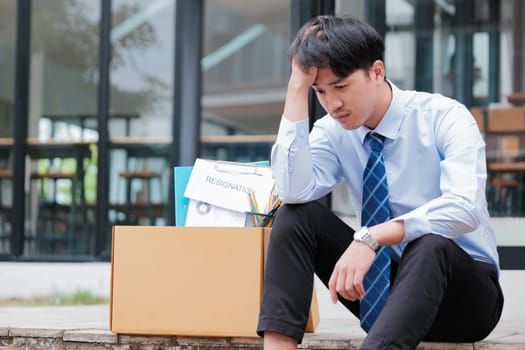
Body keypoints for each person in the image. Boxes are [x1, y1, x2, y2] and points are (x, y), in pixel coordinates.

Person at [256, 15, 504, 350]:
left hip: (463, 296)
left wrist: (372, 238)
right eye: (320, 91)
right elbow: (292, 190)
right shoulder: (332, 131)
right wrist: (297, 87)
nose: (332, 104)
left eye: (340, 87)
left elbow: (465, 208)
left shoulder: (444, 117)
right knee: (294, 215)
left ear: (376, 71)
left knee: (429, 243)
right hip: (380, 290)